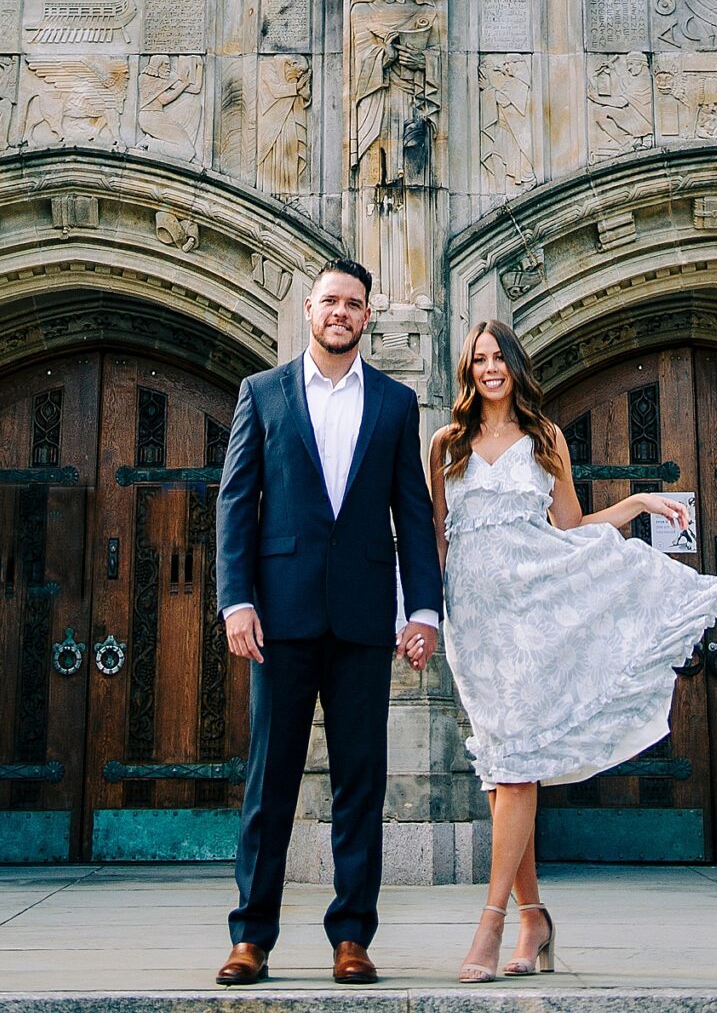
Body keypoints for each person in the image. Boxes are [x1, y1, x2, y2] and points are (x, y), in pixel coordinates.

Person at [430, 321, 717, 983]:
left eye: (498, 358)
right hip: (474, 622)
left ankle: (490, 927)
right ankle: (534, 921)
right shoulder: (445, 443)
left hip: (531, 612)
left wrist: (636, 501)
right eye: (478, 360)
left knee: (516, 767)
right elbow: (434, 535)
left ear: (515, 366)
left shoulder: (544, 438)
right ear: (467, 371)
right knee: (501, 773)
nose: (489, 368)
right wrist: (426, 616)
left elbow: (571, 526)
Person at [215, 257, 442, 986]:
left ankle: (351, 936)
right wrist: (235, 599)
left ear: (366, 316)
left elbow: (412, 512)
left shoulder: (394, 403)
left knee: (359, 784)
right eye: (328, 301)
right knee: (269, 783)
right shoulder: (263, 393)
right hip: (277, 617)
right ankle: (251, 937)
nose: (339, 312)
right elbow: (234, 503)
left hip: (362, 619)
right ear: (308, 312)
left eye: (352, 303)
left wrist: (424, 610)